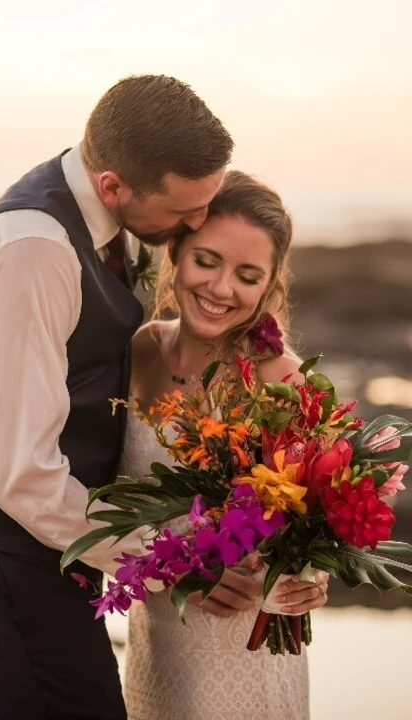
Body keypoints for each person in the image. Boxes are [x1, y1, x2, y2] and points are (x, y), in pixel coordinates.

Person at [0, 74, 243, 720]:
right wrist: (175, 559)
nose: (197, 222)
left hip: (45, 547)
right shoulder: (32, 251)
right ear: (112, 186)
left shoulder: (113, 224)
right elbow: (21, 475)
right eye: (186, 208)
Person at [120, 170, 329, 720]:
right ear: (175, 253)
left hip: (244, 658)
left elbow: (318, 517)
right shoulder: (141, 351)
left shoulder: (282, 380)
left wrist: (314, 576)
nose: (220, 289)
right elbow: (114, 503)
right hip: (155, 650)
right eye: (206, 260)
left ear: (269, 284)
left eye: (247, 274)